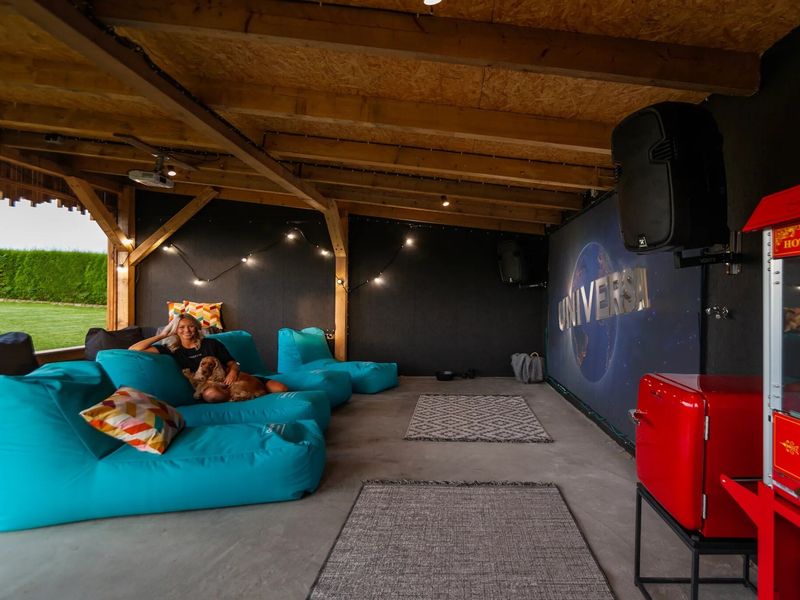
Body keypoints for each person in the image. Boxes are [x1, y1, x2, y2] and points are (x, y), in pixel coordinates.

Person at [128, 314, 288, 402]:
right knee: (211, 395)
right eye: (181, 327)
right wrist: (163, 335)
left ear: (197, 328)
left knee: (281, 388)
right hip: (211, 386)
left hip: (236, 379)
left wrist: (233, 372)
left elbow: (233, 363)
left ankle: (246, 393)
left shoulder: (211, 343)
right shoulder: (172, 350)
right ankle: (242, 396)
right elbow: (134, 349)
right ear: (175, 330)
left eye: (191, 326)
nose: (187, 330)